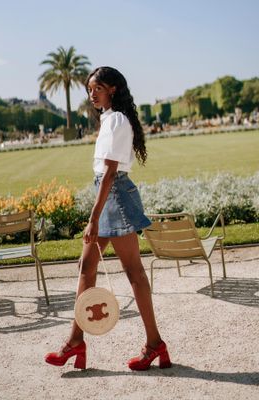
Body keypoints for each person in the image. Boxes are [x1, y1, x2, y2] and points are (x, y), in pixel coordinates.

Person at [44, 66, 171, 371]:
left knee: (134, 273)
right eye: (89, 90)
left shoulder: (115, 119)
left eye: (96, 89)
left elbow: (111, 173)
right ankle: (75, 343)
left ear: (112, 88)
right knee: (86, 267)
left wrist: (93, 217)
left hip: (114, 196)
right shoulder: (109, 118)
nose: (91, 94)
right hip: (108, 195)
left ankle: (155, 344)